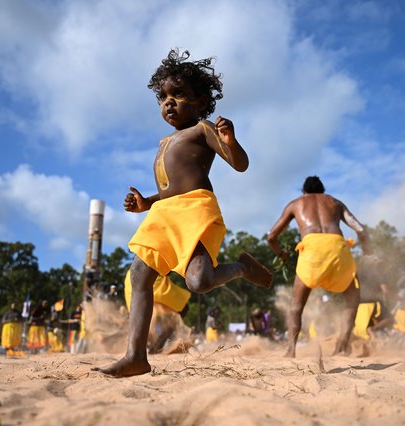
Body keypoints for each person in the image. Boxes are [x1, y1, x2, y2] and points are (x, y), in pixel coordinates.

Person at [94, 49, 273, 377]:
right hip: (164, 212)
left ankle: (242, 267)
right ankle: (136, 356)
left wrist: (230, 141)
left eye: (179, 94)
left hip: (194, 209)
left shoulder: (202, 129)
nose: (168, 102)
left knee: (199, 282)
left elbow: (240, 165)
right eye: (163, 96)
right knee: (139, 276)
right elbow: (169, 187)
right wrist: (146, 203)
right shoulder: (165, 141)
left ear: (201, 101)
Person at [267, 176, 370, 357]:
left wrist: (282, 254)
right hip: (338, 250)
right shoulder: (335, 203)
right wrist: (368, 252)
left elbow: (271, 236)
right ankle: (342, 344)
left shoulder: (296, 204)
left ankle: (291, 350)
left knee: (296, 306)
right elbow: (360, 229)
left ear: (304, 192)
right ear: (323, 191)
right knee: (353, 300)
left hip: (312, 252)